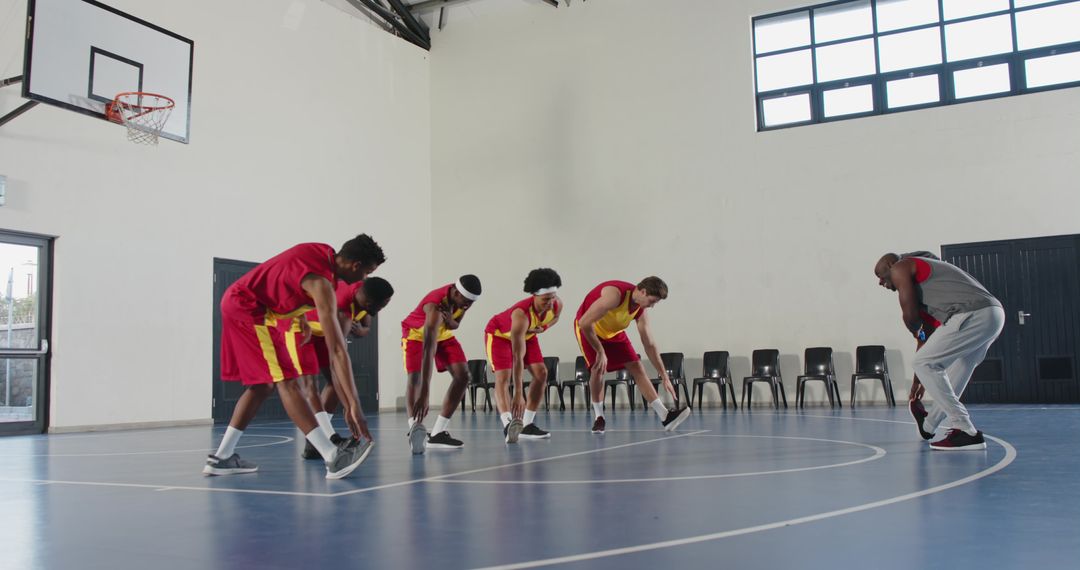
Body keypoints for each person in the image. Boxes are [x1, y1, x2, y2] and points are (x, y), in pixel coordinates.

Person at [205, 235, 384, 479]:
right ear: (356, 266)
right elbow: (338, 351)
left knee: (262, 386)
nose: (364, 279)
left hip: (253, 307)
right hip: (248, 307)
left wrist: (299, 317)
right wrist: (354, 405)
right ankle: (333, 456)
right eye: (367, 272)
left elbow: (284, 277)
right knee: (288, 381)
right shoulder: (322, 285)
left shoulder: (322, 252)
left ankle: (222, 457)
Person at [874, 252, 1004, 450]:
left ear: (891, 265)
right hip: (992, 314)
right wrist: (919, 381)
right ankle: (929, 425)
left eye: (881, 277)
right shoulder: (930, 296)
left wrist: (915, 329)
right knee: (960, 365)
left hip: (972, 313)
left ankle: (964, 430)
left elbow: (911, 319)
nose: (880, 284)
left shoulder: (901, 266)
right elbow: (924, 337)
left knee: (922, 362)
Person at [282, 277, 394, 460]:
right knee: (311, 385)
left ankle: (313, 445)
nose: (383, 309)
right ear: (369, 302)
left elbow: (366, 327)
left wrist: (361, 331)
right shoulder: (344, 309)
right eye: (383, 305)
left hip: (324, 332)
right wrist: (350, 407)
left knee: (337, 384)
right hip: (300, 328)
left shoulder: (364, 294)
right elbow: (337, 360)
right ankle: (330, 438)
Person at [574, 277, 690, 434]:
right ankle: (599, 417)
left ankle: (665, 416)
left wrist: (664, 375)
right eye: (652, 301)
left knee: (637, 366)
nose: (652, 306)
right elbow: (584, 323)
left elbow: (649, 344)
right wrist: (600, 351)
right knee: (598, 369)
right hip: (589, 329)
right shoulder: (615, 295)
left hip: (613, 332)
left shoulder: (640, 309)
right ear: (643, 292)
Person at [401, 275, 482, 453]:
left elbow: (455, 325)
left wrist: (451, 320)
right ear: (455, 292)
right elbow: (428, 351)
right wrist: (425, 394)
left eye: (471, 303)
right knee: (415, 378)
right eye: (466, 302)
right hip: (417, 335)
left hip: (443, 334)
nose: (467, 306)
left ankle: (438, 433)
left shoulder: (463, 300)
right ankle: (415, 427)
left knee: (464, 376)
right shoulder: (434, 307)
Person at [484, 268, 562, 443]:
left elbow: (556, 317)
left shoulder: (557, 304)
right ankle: (507, 424)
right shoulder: (521, 316)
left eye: (552, 298)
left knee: (542, 373)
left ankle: (526, 425)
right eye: (545, 300)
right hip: (499, 335)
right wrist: (519, 393)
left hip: (529, 334)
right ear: (534, 296)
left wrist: (545, 327)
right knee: (503, 377)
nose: (550, 303)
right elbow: (518, 358)